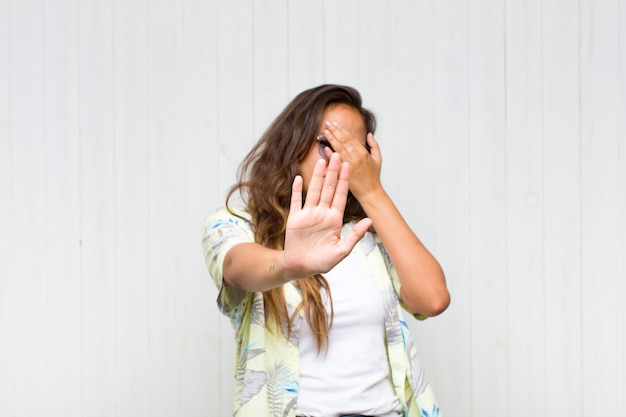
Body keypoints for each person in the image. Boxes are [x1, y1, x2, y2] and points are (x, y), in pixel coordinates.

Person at [202, 84, 450, 417]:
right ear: (293, 145)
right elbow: (236, 268)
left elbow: (432, 299)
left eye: (355, 150)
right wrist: (290, 264)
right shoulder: (235, 225)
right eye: (328, 143)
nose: (341, 159)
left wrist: (372, 191)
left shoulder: (368, 234)